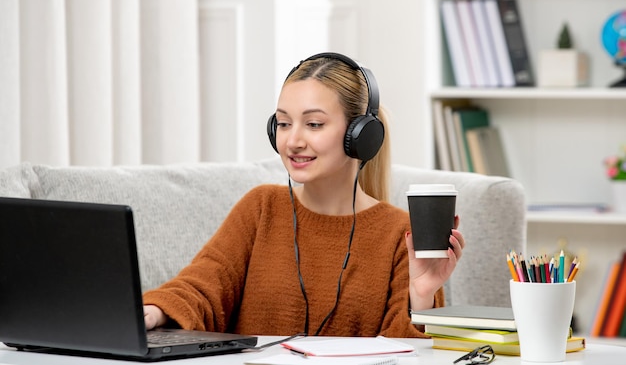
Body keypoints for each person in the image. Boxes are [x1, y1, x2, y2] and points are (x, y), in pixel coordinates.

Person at [142, 52, 465, 338]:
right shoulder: (261, 208)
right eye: (283, 123)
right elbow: (202, 287)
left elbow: (410, 355)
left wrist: (421, 297)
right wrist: (154, 311)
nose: (293, 140)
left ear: (360, 134)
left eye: (313, 124)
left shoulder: (401, 233)